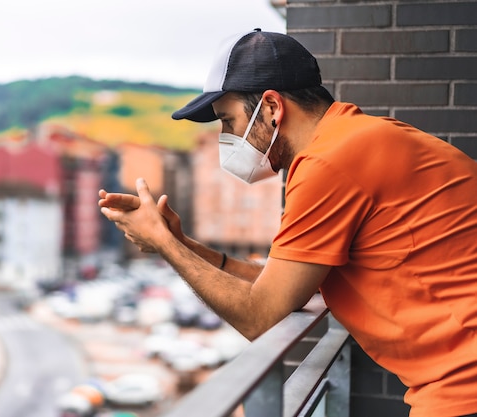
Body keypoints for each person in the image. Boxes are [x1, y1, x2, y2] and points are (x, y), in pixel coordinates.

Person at [98, 29, 477, 417]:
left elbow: (260, 315)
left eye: (228, 121)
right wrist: (181, 242)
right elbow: (287, 290)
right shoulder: (356, 139)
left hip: (464, 384)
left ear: (271, 108)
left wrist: (164, 244)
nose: (225, 138)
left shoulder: (330, 163)